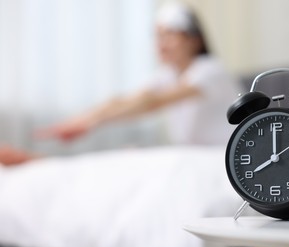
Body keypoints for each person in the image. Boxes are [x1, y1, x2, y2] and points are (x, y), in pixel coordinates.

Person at [0, 3, 241, 167]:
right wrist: (79, 122)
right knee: (132, 158)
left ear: (194, 39)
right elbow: (122, 102)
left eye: (170, 35)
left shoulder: (210, 70)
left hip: (218, 159)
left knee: (137, 161)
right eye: (158, 36)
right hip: (191, 157)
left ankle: (45, 164)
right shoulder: (168, 75)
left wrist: (92, 122)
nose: (162, 44)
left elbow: (151, 103)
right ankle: (47, 164)